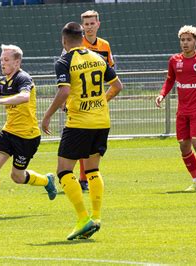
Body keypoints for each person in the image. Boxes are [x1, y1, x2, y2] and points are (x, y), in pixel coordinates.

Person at [41, 22, 123, 240]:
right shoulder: (98, 58)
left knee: (64, 171)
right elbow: (117, 86)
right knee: (93, 169)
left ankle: (83, 219)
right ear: (82, 38)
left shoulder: (64, 61)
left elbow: (64, 90)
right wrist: (100, 101)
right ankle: (96, 217)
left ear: (64, 41)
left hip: (79, 123)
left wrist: (48, 115)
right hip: (101, 122)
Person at [0, 44, 57, 218]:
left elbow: (24, 97)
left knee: (17, 177)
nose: (2, 63)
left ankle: (46, 180)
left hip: (27, 137)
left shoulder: (23, 78)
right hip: (8, 133)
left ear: (17, 62)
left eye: (6, 60)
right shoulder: (4, 81)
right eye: (1, 59)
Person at [155, 25, 196, 192]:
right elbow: (170, 80)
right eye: (182, 40)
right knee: (184, 145)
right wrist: (161, 94)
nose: (185, 43)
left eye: (189, 40)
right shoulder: (174, 60)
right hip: (182, 111)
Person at [76, 10, 116, 192]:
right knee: (79, 141)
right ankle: (81, 178)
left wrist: (103, 100)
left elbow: (112, 77)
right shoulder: (76, 44)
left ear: (98, 24)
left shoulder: (105, 46)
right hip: (78, 101)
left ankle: (84, 178)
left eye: (92, 23)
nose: (89, 27)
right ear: (82, 26)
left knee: (92, 143)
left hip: (96, 105)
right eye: (86, 24)